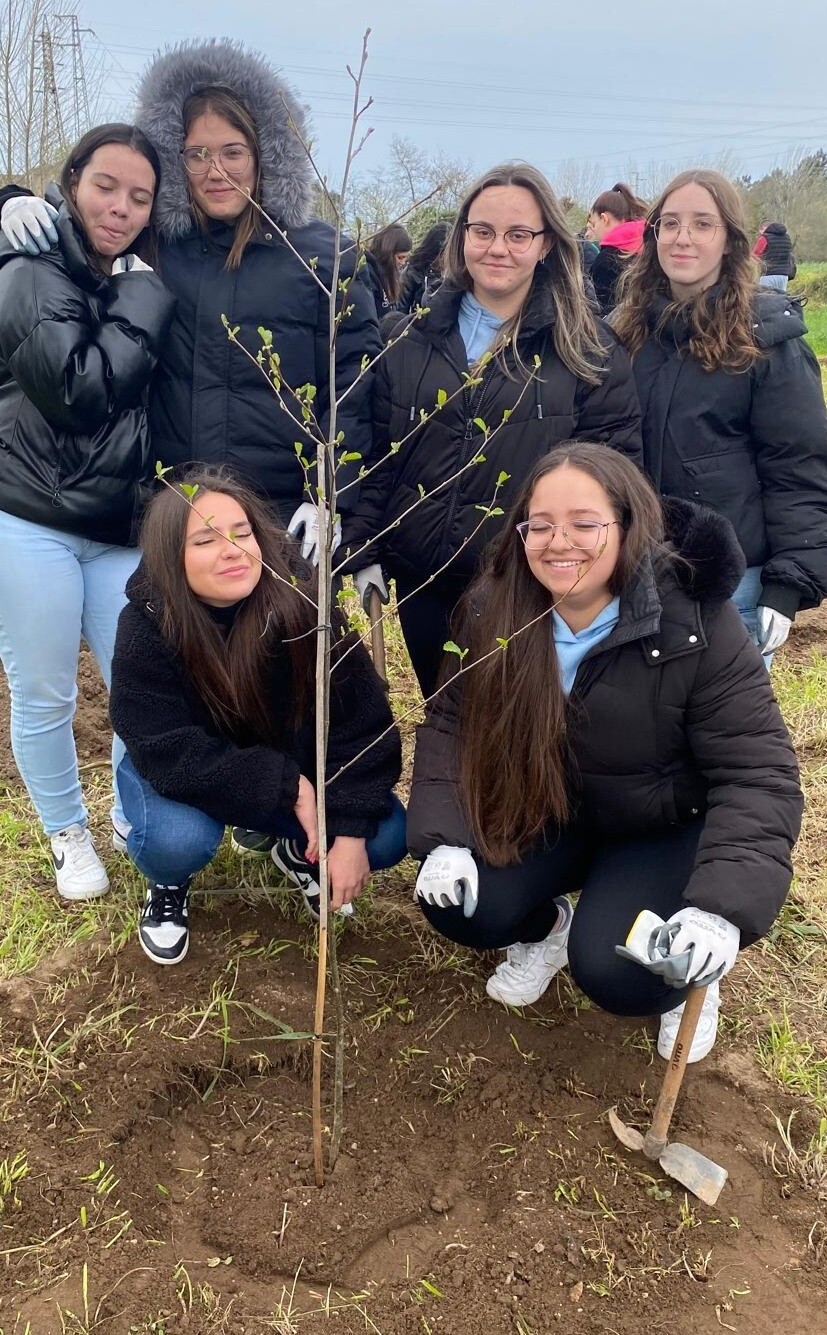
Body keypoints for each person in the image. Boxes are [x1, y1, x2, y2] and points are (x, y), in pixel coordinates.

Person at [408, 442, 802, 1063]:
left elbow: (757, 773)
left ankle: (687, 982)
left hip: (659, 825)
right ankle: (548, 931)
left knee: (618, 973)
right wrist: (445, 839)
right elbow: (452, 723)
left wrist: (719, 909)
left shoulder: (694, 621)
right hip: (549, 810)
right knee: (463, 906)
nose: (559, 542)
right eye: (540, 525)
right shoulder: (495, 609)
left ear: (627, 525)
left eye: (585, 524)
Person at [0, 39, 381, 559]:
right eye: (197, 154)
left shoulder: (325, 257)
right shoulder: (154, 243)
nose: (214, 171)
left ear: (266, 154)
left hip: (278, 518)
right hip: (174, 511)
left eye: (232, 152)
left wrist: (330, 493)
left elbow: (351, 390)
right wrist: (14, 202)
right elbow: (86, 219)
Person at [346, 162, 642, 698]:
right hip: (425, 583)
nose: (497, 248)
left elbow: (614, 476)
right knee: (445, 722)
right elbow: (382, 458)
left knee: (519, 727)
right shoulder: (409, 340)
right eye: (482, 231)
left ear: (545, 244)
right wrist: (365, 546)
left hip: (529, 587)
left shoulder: (587, 350)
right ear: (461, 238)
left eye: (518, 234)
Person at [108, 466, 405, 966]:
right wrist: (287, 786)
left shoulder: (304, 604)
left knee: (386, 834)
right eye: (205, 540)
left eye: (242, 533)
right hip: (187, 777)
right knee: (177, 841)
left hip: (279, 768)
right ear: (170, 556)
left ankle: (296, 851)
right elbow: (165, 749)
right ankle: (168, 882)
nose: (232, 550)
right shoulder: (148, 622)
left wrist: (350, 828)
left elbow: (361, 720)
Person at [0, 124, 176, 901]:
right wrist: (142, 297)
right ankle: (66, 829)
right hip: (29, 513)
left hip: (117, 524)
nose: (121, 207)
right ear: (72, 181)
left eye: (140, 196)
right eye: (106, 186)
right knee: (45, 690)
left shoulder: (130, 272)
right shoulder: (29, 268)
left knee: (137, 683)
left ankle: (135, 814)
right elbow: (80, 392)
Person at [613, 169, 827, 659]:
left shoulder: (766, 340)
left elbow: (799, 466)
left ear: (730, 240)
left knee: (723, 711)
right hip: (631, 574)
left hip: (733, 584)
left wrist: (788, 582)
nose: (682, 237)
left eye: (702, 224)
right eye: (670, 223)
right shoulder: (625, 334)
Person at [585, 182, 647, 315]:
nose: (595, 231)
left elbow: (601, 316)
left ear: (604, 219)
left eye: (594, 224)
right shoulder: (653, 246)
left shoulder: (606, 261)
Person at [396, 220, 451, 314]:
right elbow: (400, 310)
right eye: (444, 254)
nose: (447, 259)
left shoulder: (454, 274)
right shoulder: (412, 273)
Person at [365, 222, 413, 315]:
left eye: (405, 259)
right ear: (387, 253)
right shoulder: (369, 274)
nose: (403, 263)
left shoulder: (389, 275)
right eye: (400, 258)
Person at [753, 220, 797, 291]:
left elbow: (754, 256)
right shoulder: (787, 238)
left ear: (764, 228)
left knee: (766, 296)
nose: (761, 233)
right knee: (781, 297)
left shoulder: (764, 238)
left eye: (761, 231)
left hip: (768, 275)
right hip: (784, 276)